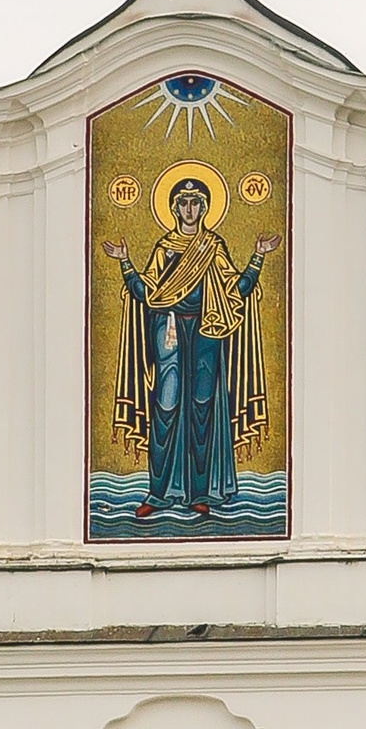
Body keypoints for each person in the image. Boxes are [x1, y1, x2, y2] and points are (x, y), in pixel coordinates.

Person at [102, 176, 281, 519]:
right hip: (168, 328)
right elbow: (146, 293)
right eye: (183, 203)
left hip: (206, 330)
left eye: (195, 202)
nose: (189, 209)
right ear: (173, 208)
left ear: (204, 207)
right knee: (166, 407)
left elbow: (235, 290)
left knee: (202, 407)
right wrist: (125, 263)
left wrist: (257, 257)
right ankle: (158, 493)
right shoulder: (164, 248)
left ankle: (200, 492)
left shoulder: (212, 248)